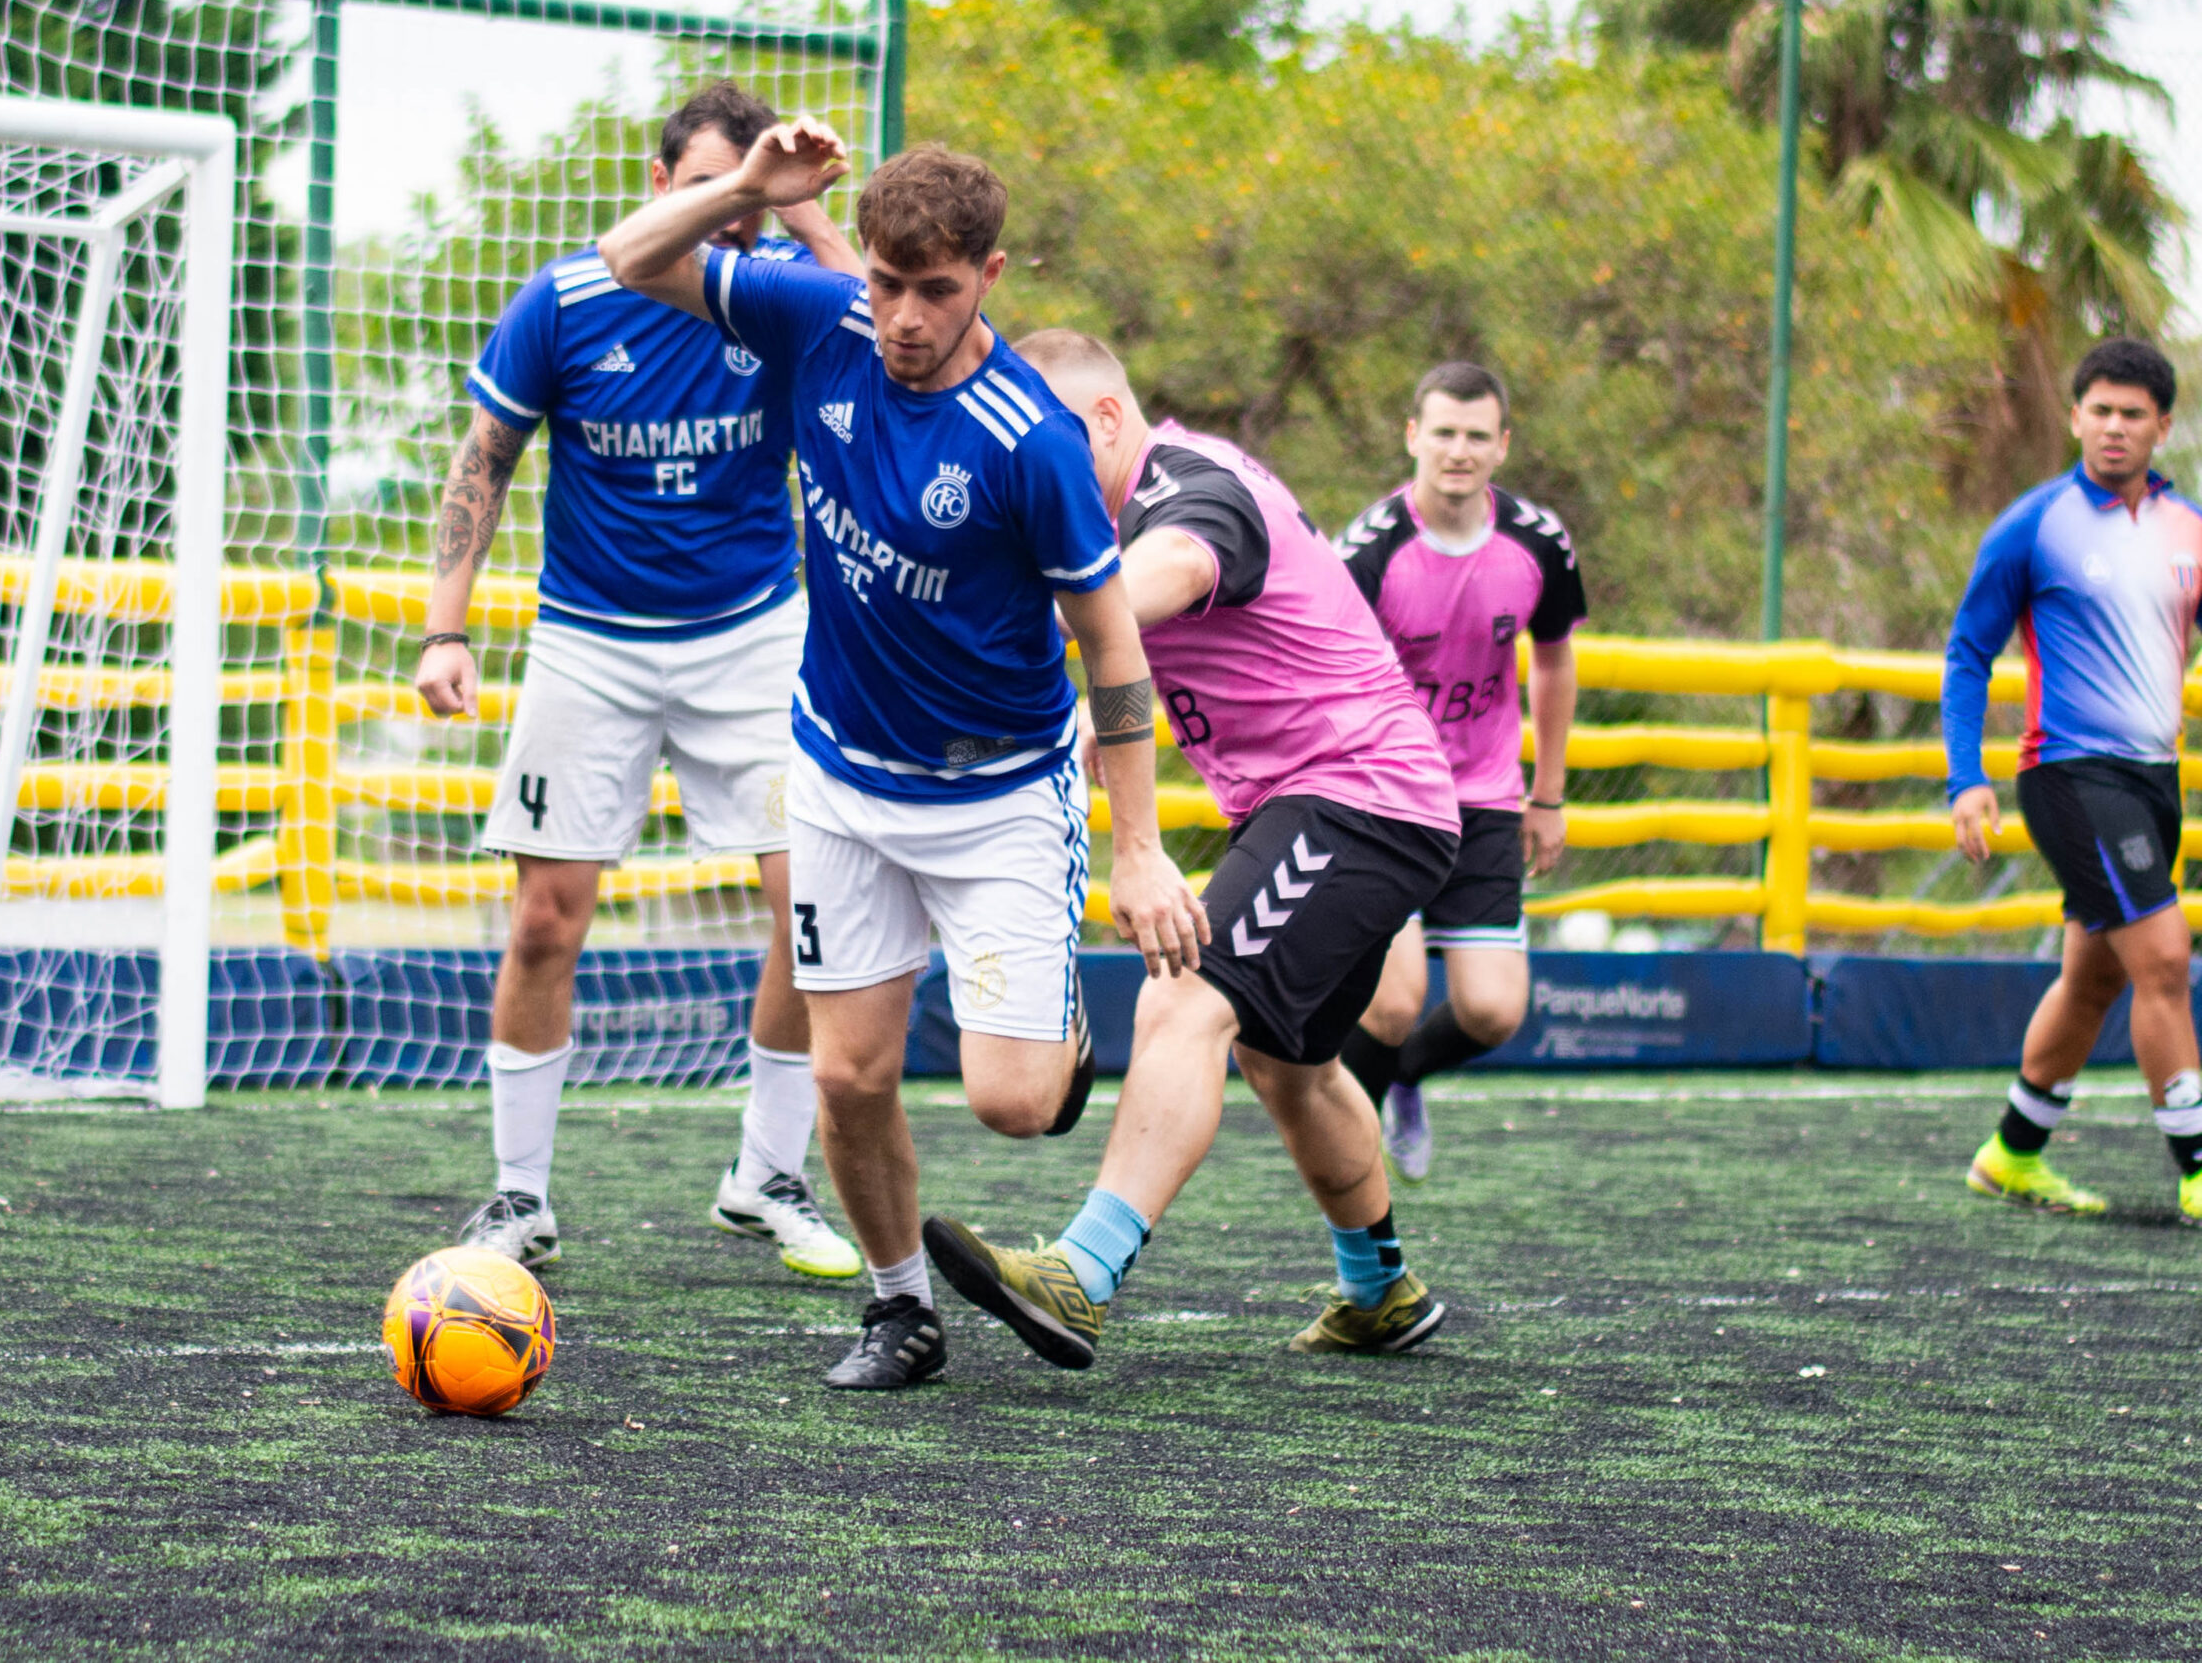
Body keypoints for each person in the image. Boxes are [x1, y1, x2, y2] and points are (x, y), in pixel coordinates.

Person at [599, 128, 1208, 1388]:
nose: (904, 318)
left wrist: (1140, 850)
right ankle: (899, 1311)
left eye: (935, 289)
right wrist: (746, 191)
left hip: (999, 795)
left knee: (1014, 1105)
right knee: (846, 1074)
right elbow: (628, 258)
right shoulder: (821, 322)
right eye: (886, 283)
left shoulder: (1030, 440)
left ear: (990, 276)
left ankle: (1051, 1031)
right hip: (839, 776)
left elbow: (1110, 644)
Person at [922, 329, 1463, 1369]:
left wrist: (988, 617)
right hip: (1351, 802)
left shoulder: (1187, 490)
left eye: (1044, 440)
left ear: (1107, 420)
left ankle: (1081, 1274)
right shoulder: (1138, 492)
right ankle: (1380, 1291)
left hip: (1358, 798)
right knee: (1287, 1064)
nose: (1026, 467)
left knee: (1187, 992)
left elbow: (1151, 581)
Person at [416, 83, 865, 1280]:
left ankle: (765, 1176)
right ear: (663, 184)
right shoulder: (564, 300)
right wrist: (444, 630)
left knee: (812, 905)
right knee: (544, 920)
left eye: (753, 199)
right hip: (590, 642)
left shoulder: (781, 292)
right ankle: (517, 1196)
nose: (736, 217)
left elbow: (888, 325)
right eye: (718, 190)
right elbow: (485, 458)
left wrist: (804, 209)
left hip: (753, 637)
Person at [1946, 336, 2202, 1226]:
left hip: (2155, 782)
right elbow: (1967, 653)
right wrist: (1965, 778)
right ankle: (2198, 1165)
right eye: (2100, 410)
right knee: (2163, 957)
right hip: (2069, 775)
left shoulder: (2188, 528)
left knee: (2095, 979)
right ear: (2074, 417)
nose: (2114, 427)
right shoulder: (2034, 524)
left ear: (2162, 425)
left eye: (2133, 413)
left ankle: (2010, 1155)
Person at [1331, 364, 1586, 1181]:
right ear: (1413, 436)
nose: (1459, 450)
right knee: (1393, 999)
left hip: (1485, 798)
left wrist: (1548, 795)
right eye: (1443, 432)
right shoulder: (1367, 551)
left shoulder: (1539, 542)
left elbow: (1555, 660)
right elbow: (1324, 676)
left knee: (1494, 1009)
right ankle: (1346, 1160)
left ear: (1502, 445)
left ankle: (1404, 1078)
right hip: (1384, 798)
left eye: (1478, 435)